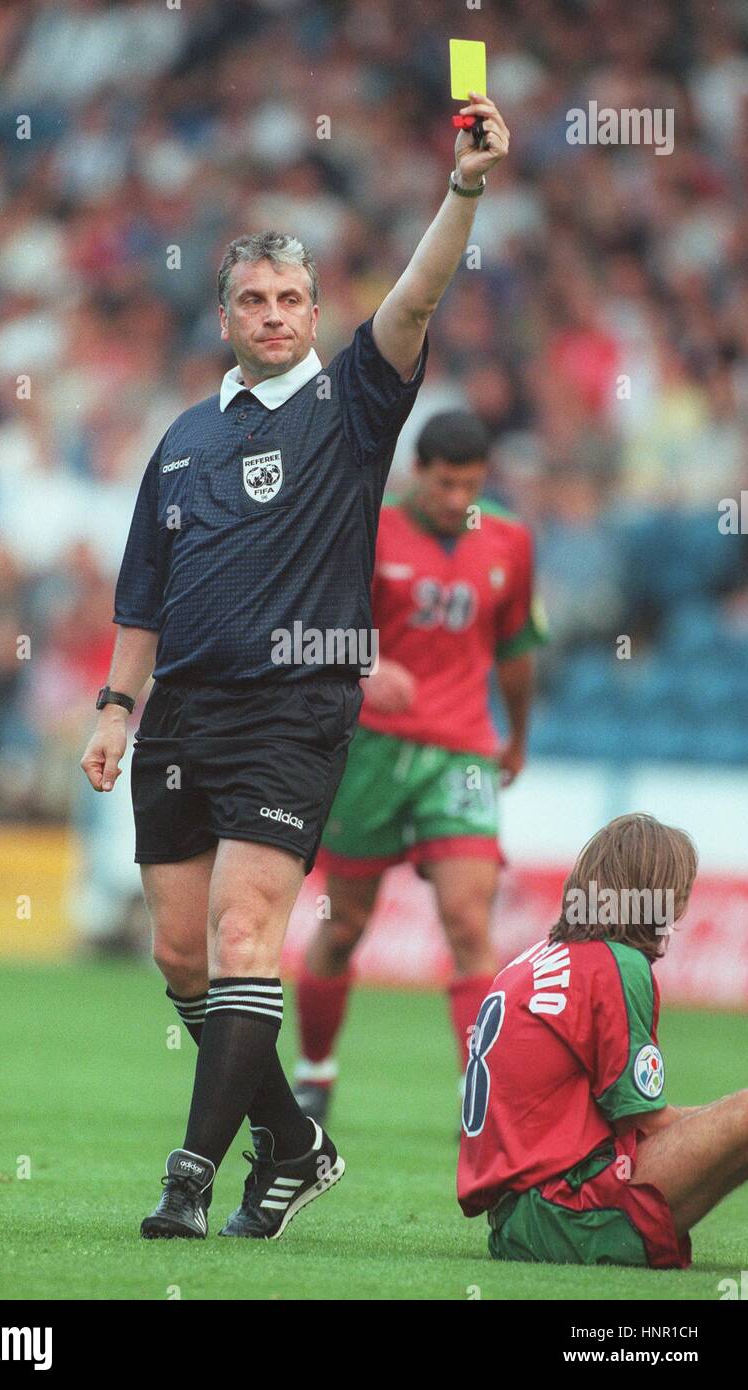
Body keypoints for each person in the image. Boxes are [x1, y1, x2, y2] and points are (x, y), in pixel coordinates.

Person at [79, 93, 511, 1241]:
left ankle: (187, 1176)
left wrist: (462, 188)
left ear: (318, 312)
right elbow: (142, 600)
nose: (274, 314)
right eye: (253, 300)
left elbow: (417, 294)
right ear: (224, 315)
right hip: (181, 715)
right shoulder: (180, 440)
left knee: (240, 938)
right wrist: (117, 705)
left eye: (291, 298)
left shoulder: (352, 403)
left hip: (297, 710)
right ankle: (294, 1142)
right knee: (179, 953)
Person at [293, 409, 546, 1122]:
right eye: (443, 483)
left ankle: (481, 1089)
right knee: (344, 925)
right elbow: (312, 632)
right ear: (417, 473)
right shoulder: (368, 529)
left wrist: (515, 736)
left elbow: (517, 646)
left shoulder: (508, 540)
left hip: (462, 750)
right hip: (370, 747)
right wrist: (365, 666)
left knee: (469, 921)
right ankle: (314, 1069)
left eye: (469, 485)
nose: (455, 499)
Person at [458, 813, 744, 1269]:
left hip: (517, 1219)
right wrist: (728, 1119)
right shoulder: (615, 965)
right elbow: (647, 1120)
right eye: (679, 893)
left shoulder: (538, 957)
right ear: (656, 894)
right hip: (566, 1215)